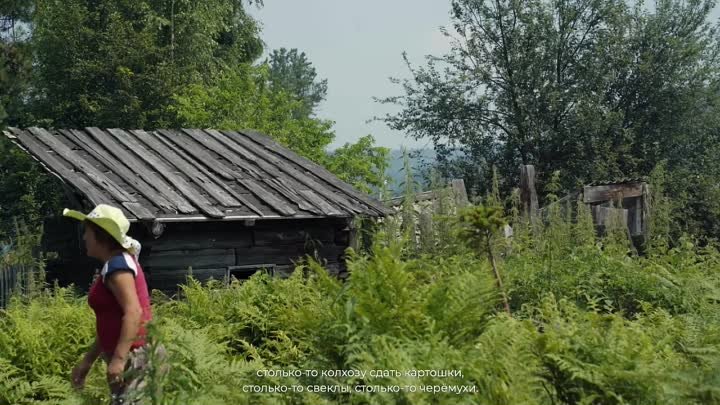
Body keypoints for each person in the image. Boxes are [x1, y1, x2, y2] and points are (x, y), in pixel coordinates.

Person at [66, 204, 154, 404]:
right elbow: (111, 323)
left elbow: (133, 313)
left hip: (135, 358)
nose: (84, 238)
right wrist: (88, 361)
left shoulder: (118, 267)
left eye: (87, 232)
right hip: (130, 356)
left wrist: (119, 359)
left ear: (101, 236)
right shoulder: (115, 265)